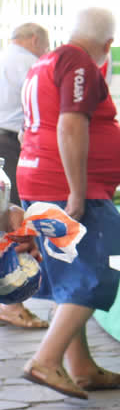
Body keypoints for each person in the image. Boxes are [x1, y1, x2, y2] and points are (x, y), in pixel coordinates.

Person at [16, 8, 120, 399]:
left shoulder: (46, 60)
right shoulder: (79, 62)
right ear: (108, 45)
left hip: (38, 176)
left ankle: (80, 366)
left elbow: (28, 128)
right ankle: (45, 360)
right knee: (95, 271)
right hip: (69, 186)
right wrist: (77, 191)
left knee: (69, 275)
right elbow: (70, 123)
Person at [0, 22, 51, 330]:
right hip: (12, 143)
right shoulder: (30, 63)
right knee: (13, 223)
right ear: (34, 40)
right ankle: (12, 303)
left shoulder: (4, 57)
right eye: (44, 46)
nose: (45, 52)